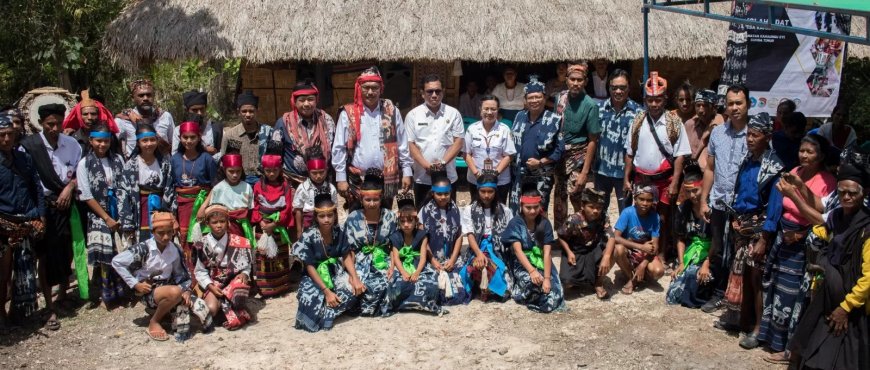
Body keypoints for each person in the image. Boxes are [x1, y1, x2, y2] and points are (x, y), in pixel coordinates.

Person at [757, 134, 836, 360]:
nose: (804, 155)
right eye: (802, 150)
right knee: (775, 289)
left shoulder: (827, 182)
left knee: (794, 297)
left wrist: (801, 234)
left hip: (804, 244)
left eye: (810, 152)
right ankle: (770, 339)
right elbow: (779, 205)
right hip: (784, 238)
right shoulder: (793, 173)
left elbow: (822, 218)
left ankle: (790, 348)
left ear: (820, 156)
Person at [788, 163, 870, 369]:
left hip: (852, 308)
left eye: (852, 193)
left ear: (864, 193)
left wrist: (846, 307)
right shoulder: (835, 218)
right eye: (842, 193)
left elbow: (868, 278)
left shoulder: (866, 230)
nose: (846, 197)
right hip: (827, 298)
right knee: (808, 349)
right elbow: (823, 232)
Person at [715, 113, 785, 350]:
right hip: (741, 226)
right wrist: (735, 218)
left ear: (767, 136)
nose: (750, 139)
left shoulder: (773, 167)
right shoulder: (748, 160)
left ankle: (758, 329)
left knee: (757, 280)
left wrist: (764, 238)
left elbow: (774, 208)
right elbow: (740, 193)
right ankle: (738, 321)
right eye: (749, 135)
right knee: (739, 274)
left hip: (759, 231)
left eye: (755, 135)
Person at [19, 104, 80, 330]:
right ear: (40, 124)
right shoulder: (30, 147)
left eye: (58, 123)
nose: (54, 128)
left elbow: (78, 173)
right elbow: (26, 180)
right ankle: (48, 306)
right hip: (44, 206)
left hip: (68, 205)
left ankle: (63, 295)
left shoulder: (72, 145)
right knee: (44, 255)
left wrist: (70, 187)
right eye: (49, 125)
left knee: (66, 251)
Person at [624, 72, 691, 262]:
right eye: (650, 100)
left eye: (658, 100)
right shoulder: (637, 121)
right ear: (645, 99)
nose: (654, 104)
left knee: (662, 218)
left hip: (665, 179)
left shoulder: (674, 123)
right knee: (641, 215)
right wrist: (626, 178)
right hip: (641, 178)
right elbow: (630, 152)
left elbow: (679, 156)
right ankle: (639, 254)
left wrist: (675, 183)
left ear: (665, 99)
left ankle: (660, 254)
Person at [111, 212, 208, 342]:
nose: (166, 237)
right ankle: (154, 321)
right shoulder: (143, 248)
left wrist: (187, 291)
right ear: (152, 231)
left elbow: (182, 275)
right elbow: (116, 262)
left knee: (197, 317)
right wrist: (135, 284)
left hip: (169, 286)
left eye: (169, 232)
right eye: (161, 233)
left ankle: (166, 312)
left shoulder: (175, 249)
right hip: (148, 290)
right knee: (175, 293)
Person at [699, 84, 751, 314]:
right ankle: (720, 293)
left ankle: (740, 300)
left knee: (741, 253)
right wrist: (703, 200)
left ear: (748, 104)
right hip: (720, 201)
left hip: (744, 207)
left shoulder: (755, 135)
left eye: (739, 103)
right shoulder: (718, 133)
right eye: (730, 103)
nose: (734, 107)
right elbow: (709, 168)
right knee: (719, 248)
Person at [331, 67, 413, 210]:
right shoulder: (348, 113)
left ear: (381, 89)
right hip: (357, 180)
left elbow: (402, 144)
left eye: (374, 88)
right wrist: (341, 177)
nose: (370, 92)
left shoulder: (392, 111)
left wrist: (407, 171)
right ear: (359, 88)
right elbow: (339, 147)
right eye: (366, 88)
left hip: (387, 179)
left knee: (385, 219)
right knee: (357, 220)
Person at [0, 114, 45, 327]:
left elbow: (36, 186)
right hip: (3, 225)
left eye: (10, 134)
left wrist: (40, 215)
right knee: (3, 273)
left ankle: (21, 312)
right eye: (2, 135)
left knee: (26, 269)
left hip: (26, 220)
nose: (7, 139)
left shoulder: (23, 158)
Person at [77, 122, 128, 307]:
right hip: (98, 214)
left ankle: (123, 289)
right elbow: (86, 195)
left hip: (119, 211)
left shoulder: (118, 160)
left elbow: (124, 185)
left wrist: (121, 213)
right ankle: (107, 293)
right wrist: (106, 217)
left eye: (106, 141)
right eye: (98, 141)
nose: (102, 145)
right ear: (91, 141)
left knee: (121, 251)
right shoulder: (84, 164)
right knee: (104, 256)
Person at [293, 192, 359, 331]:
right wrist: (326, 291)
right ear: (316, 218)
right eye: (322, 216)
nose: (326, 219)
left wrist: (354, 277)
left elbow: (346, 255)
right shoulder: (308, 235)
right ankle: (328, 309)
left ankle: (329, 313)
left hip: (335, 273)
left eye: (330, 215)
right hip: (314, 277)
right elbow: (309, 266)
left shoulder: (339, 231)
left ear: (335, 215)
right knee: (309, 298)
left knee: (353, 290)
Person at [339, 168, 397, 316]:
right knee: (347, 288)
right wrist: (353, 276)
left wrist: (392, 266)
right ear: (361, 199)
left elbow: (394, 247)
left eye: (375, 199)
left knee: (389, 284)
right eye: (368, 200)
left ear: (381, 197)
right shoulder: (353, 218)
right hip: (358, 262)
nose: (372, 203)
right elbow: (348, 250)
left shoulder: (390, 217)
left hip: (383, 261)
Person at [501, 181, 565, 313]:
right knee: (532, 284)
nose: (532, 211)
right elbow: (518, 251)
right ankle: (518, 288)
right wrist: (532, 271)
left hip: (541, 260)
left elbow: (547, 253)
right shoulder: (516, 223)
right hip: (521, 262)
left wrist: (547, 278)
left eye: (535, 207)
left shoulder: (545, 223)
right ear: (521, 206)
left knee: (554, 290)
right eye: (528, 207)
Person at [553, 62, 602, 228]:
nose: (575, 83)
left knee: (576, 196)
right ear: (566, 80)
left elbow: (593, 140)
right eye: (572, 79)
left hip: (578, 155)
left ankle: (583, 234)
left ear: (585, 82)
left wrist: (585, 173)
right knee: (559, 198)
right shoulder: (560, 99)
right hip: (560, 154)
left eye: (579, 80)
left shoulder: (590, 106)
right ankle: (562, 235)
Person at [405, 74, 465, 207]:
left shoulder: (453, 114)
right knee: (422, 215)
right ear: (422, 93)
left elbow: (459, 142)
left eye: (438, 91)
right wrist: (428, 166)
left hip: (448, 175)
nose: (434, 95)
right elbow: (410, 145)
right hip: (422, 177)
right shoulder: (413, 115)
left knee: (448, 215)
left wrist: (442, 164)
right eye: (429, 91)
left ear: (443, 92)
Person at [192, 204, 253, 330]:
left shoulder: (240, 241)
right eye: (214, 222)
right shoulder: (201, 244)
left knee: (239, 285)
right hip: (213, 282)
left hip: (231, 280)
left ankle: (232, 306)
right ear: (207, 224)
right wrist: (211, 287)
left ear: (228, 222)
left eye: (222, 221)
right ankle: (223, 307)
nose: (219, 225)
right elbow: (200, 271)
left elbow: (246, 266)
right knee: (211, 310)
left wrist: (244, 274)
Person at [508, 76, 563, 214]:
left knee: (537, 210)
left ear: (544, 98)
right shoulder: (519, 116)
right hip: (518, 174)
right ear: (525, 100)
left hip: (541, 175)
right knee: (517, 209)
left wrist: (541, 162)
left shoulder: (554, 120)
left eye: (538, 97)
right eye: (530, 98)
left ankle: (538, 236)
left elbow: (559, 149)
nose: (534, 101)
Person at [171, 115, 218, 273]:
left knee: (204, 240)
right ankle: (191, 277)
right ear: (180, 138)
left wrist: (204, 207)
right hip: (182, 206)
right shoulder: (174, 159)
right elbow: (170, 188)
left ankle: (207, 275)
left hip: (202, 206)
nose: (189, 141)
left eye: (192, 137)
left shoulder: (207, 159)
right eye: (185, 137)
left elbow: (215, 186)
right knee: (186, 241)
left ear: (199, 138)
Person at [195, 152, 256, 270]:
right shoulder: (218, 188)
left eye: (238, 171)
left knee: (242, 251)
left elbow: (250, 209)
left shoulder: (247, 187)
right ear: (224, 170)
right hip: (224, 227)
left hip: (241, 227)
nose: (235, 175)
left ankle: (243, 277)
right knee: (225, 252)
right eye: (231, 171)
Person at [460, 170, 513, 302]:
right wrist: (478, 253)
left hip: (497, 250)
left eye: (490, 191)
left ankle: (487, 286)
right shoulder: (469, 210)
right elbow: (470, 234)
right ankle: (482, 286)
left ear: (496, 191)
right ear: (477, 191)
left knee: (493, 267)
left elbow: (509, 237)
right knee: (474, 266)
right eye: (483, 191)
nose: (486, 195)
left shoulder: (505, 211)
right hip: (477, 247)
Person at [118, 123, 176, 244]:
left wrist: (170, 215)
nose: (149, 144)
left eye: (152, 140)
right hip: (139, 211)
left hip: (161, 212)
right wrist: (128, 223)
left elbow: (170, 189)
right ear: (138, 142)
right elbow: (124, 194)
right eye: (145, 140)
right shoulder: (130, 166)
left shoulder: (165, 164)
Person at [386, 192, 442, 314]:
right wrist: (403, 272)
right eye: (403, 221)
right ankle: (403, 305)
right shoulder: (395, 236)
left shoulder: (422, 235)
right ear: (399, 222)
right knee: (397, 284)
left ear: (416, 221)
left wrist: (417, 272)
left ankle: (422, 304)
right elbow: (395, 258)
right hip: (401, 265)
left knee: (431, 284)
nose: (406, 224)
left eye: (410, 221)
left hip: (419, 266)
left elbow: (423, 257)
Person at [595, 69, 642, 215]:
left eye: (622, 87)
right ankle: (602, 238)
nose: (618, 91)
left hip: (625, 173)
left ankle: (623, 237)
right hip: (601, 169)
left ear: (629, 88)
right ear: (609, 88)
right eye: (614, 87)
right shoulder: (598, 109)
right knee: (599, 210)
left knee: (625, 211)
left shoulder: (638, 112)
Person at [666, 165, 713, 307]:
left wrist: (706, 264)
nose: (692, 195)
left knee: (696, 276)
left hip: (710, 253)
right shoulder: (683, 208)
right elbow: (680, 237)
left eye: (695, 190)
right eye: (688, 191)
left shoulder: (713, 208)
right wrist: (681, 263)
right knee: (673, 292)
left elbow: (717, 240)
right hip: (690, 251)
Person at [250, 147, 295, 298]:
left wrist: (275, 224)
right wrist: (261, 221)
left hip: (277, 226)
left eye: (274, 170)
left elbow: (287, 208)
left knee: (279, 256)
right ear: (263, 170)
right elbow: (255, 206)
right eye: (268, 170)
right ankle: (264, 288)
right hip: (262, 226)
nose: (271, 174)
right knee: (263, 257)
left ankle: (281, 286)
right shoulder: (257, 186)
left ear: (280, 170)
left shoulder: (285, 186)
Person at [605, 184, 665, 295]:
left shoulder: (654, 216)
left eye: (649, 200)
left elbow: (655, 246)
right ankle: (633, 278)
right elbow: (616, 236)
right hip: (631, 248)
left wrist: (643, 264)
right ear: (635, 199)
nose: (645, 204)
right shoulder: (627, 212)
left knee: (658, 272)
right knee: (618, 249)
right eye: (641, 199)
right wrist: (641, 246)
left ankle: (639, 273)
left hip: (646, 251)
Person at [419, 171, 468, 305]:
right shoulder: (424, 211)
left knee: (463, 281)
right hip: (431, 258)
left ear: (450, 192)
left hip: (451, 258)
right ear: (433, 193)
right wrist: (433, 261)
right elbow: (423, 240)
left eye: (446, 194)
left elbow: (459, 236)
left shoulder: (456, 209)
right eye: (439, 194)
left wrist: (452, 259)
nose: (443, 197)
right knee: (432, 285)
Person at [275, 81, 335, 187]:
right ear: (294, 102)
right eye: (301, 100)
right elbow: (275, 154)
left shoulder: (326, 120)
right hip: (293, 184)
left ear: (316, 100)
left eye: (310, 99)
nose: (306, 104)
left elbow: (335, 150)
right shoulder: (284, 123)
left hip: (323, 182)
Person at [557, 188, 610, 299]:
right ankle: (582, 279)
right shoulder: (573, 220)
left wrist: (607, 256)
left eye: (599, 208)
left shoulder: (603, 217)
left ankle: (598, 283)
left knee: (612, 249)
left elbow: (612, 237)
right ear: (582, 206)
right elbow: (561, 237)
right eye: (591, 207)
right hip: (576, 251)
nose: (595, 211)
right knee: (567, 282)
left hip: (593, 250)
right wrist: (569, 252)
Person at [463, 95, 515, 204]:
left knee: (499, 209)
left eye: (493, 109)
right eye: (486, 109)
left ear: (498, 110)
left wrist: (494, 174)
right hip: (476, 178)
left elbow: (509, 155)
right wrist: (477, 174)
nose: (490, 112)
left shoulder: (504, 129)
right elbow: (466, 154)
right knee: (476, 208)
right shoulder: (472, 129)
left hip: (499, 180)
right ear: (480, 110)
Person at [219, 90, 273, 185]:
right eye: (244, 111)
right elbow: (223, 162)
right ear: (238, 112)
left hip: (263, 180)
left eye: (251, 111)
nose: (248, 115)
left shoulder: (268, 133)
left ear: (257, 111)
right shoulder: (230, 135)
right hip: (239, 181)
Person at [115, 80, 173, 156]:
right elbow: (115, 148)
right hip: (136, 166)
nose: (145, 98)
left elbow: (174, 144)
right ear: (132, 98)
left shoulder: (165, 116)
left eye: (149, 95)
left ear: (153, 96)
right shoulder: (122, 121)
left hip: (163, 165)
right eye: (141, 95)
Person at [292, 147, 337, 236]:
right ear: (308, 172)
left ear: (326, 170)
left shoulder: (331, 188)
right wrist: (299, 231)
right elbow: (298, 210)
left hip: (326, 223)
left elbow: (335, 210)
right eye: (314, 173)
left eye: (321, 172)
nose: (318, 176)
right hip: (308, 226)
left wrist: (336, 226)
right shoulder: (303, 188)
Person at [62, 89, 117, 154]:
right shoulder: (72, 138)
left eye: (93, 114)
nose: (89, 118)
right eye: (85, 114)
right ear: (79, 116)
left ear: (98, 115)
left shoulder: (109, 136)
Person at [172, 90, 223, 158]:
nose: (199, 113)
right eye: (195, 110)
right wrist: (204, 150)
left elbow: (222, 153)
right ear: (187, 111)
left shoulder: (216, 128)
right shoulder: (178, 130)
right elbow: (175, 155)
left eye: (202, 109)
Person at [683, 89, 724, 170]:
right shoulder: (690, 125)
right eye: (698, 105)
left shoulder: (722, 127)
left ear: (714, 108)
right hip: (691, 174)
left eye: (705, 106)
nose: (701, 110)